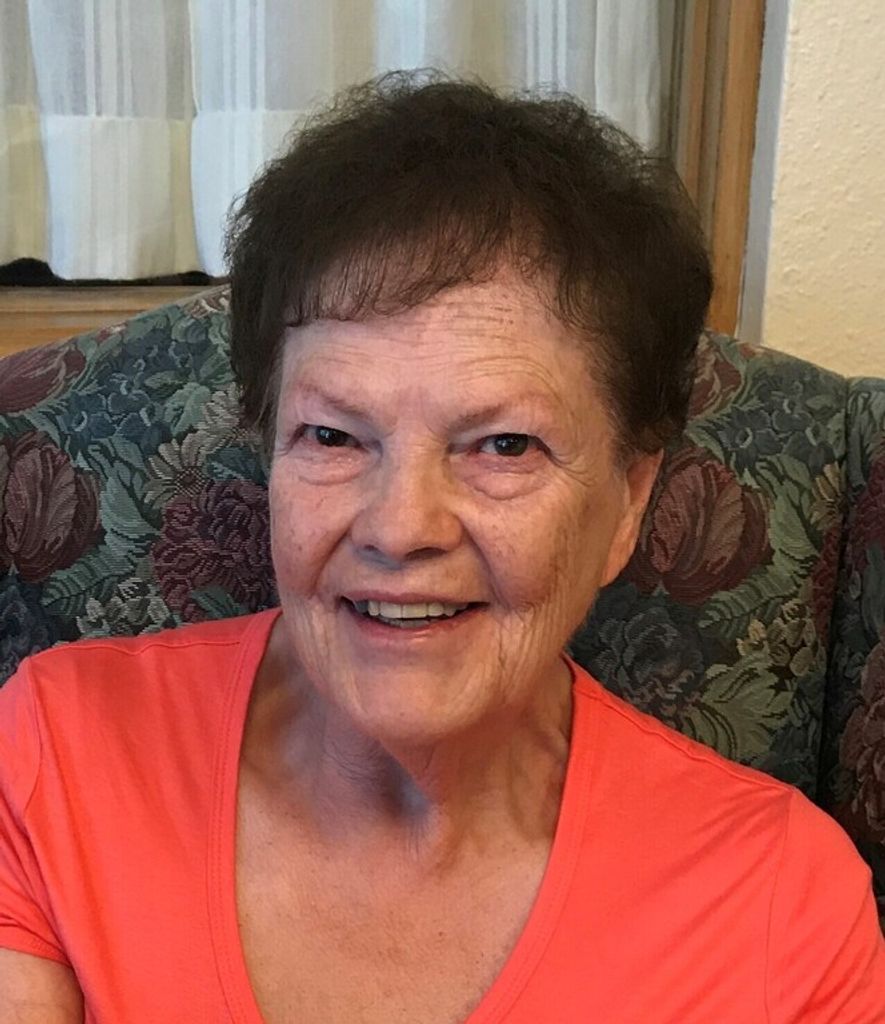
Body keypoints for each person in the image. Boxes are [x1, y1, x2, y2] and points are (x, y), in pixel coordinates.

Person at [1, 71, 883, 1023]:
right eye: (333, 436)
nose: (399, 527)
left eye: (503, 446)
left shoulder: (780, 906)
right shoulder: (58, 752)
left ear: (628, 503)